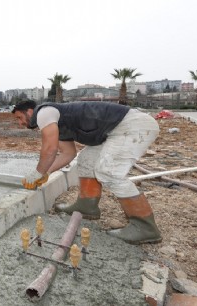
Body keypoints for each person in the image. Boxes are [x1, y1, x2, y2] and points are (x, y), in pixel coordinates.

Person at [11, 99, 162, 245]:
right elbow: (68, 154)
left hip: (132, 126)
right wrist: (46, 173)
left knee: (109, 172)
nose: (20, 123)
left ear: (30, 111)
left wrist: (38, 172)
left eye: (20, 117)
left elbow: (50, 148)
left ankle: (145, 227)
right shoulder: (56, 121)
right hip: (115, 130)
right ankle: (87, 206)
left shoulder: (44, 112)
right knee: (86, 159)